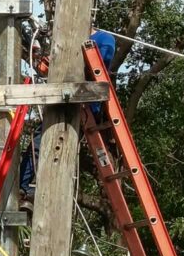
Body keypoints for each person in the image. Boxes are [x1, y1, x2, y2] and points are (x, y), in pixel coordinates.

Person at [19, 29, 116, 211]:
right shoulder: (66, 42)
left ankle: (32, 191)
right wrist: (47, 60)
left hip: (83, 105)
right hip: (62, 101)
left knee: (53, 149)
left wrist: (70, 60)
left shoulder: (103, 38)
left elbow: (100, 63)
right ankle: (25, 190)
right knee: (40, 146)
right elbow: (47, 69)